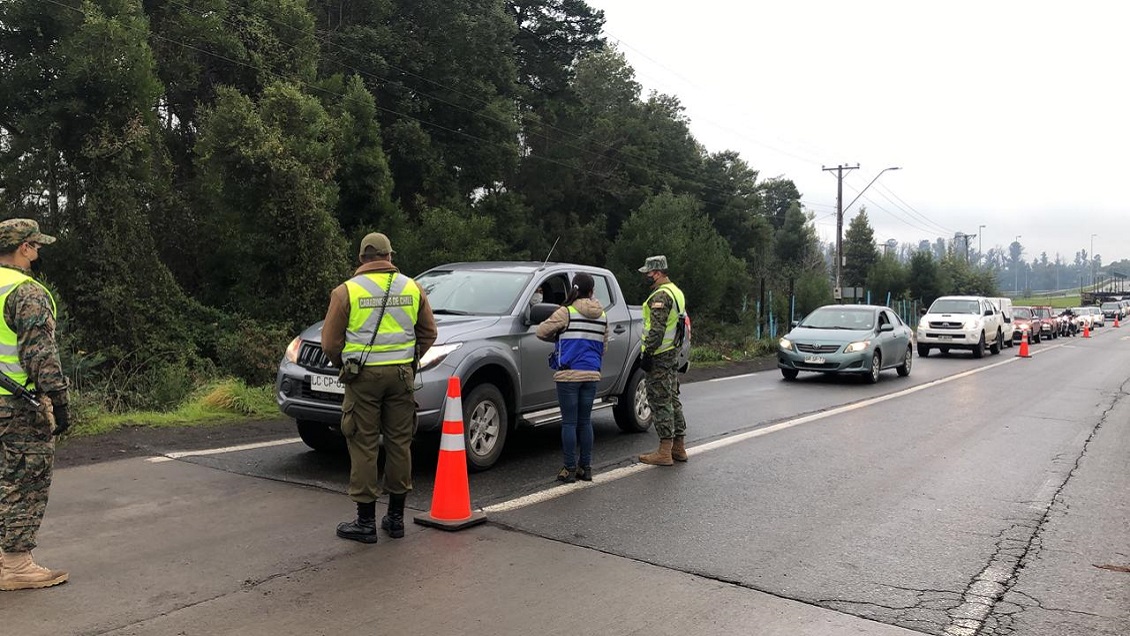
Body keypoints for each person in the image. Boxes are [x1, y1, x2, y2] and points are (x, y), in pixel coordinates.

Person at [322, 232, 437, 543]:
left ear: (362, 258)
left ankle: (365, 523)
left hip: (363, 379)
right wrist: (409, 361)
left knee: (363, 443)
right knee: (400, 443)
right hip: (401, 377)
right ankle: (396, 519)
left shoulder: (346, 291)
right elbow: (429, 333)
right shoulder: (412, 287)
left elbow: (330, 343)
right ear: (390, 256)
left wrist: (344, 365)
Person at [0, 218, 69, 591]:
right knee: (25, 480)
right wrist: (59, 401)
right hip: (18, 406)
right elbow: (40, 356)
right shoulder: (26, 292)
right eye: (35, 246)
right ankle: (15, 565)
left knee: (1, 478)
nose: (38, 252)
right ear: (23, 247)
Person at [536, 273, 607, 483]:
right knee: (585, 422)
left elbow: (541, 331)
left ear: (573, 290)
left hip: (568, 374)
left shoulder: (566, 312)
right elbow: (603, 347)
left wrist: (559, 337)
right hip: (592, 374)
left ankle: (569, 468)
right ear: (592, 291)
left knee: (569, 422)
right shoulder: (602, 316)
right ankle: (586, 468)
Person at [636, 255, 688, 466]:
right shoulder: (676, 291)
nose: (646, 276)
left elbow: (656, 330)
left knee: (660, 400)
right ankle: (679, 447)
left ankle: (664, 451)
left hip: (659, 355)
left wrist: (647, 353)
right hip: (672, 353)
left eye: (648, 273)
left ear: (657, 273)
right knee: (672, 397)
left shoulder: (661, 296)